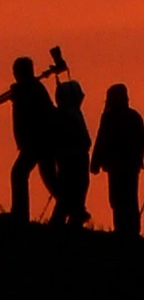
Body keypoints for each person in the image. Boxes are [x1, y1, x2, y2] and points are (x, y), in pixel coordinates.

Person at [91, 84, 144, 236]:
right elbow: (143, 140)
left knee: (119, 199)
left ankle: (124, 231)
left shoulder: (110, 117)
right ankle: (130, 231)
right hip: (128, 166)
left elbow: (101, 139)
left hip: (117, 165)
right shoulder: (134, 116)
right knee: (128, 199)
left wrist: (95, 162)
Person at [7, 57, 58, 221]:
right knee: (50, 178)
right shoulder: (30, 88)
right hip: (39, 142)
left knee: (19, 173)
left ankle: (20, 214)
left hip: (36, 142)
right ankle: (75, 208)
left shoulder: (31, 89)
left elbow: (34, 115)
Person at [49, 80, 92, 226]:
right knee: (70, 194)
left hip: (73, 159)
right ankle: (62, 223)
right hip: (73, 161)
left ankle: (70, 222)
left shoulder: (71, 113)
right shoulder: (67, 115)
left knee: (72, 194)